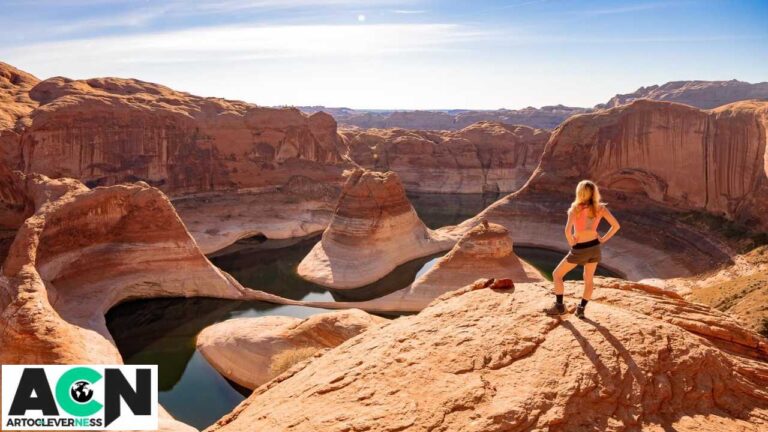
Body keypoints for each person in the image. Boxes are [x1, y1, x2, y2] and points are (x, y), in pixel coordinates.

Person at [544, 180, 620, 319]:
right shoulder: (601, 208)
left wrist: (572, 242)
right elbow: (616, 226)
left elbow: (567, 231)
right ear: (594, 193)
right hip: (595, 247)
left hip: (580, 248)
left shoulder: (575, 208)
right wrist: (602, 239)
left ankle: (560, 306)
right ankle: (581, 309)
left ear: (580, 192)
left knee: (557, 274)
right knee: (588, 279)